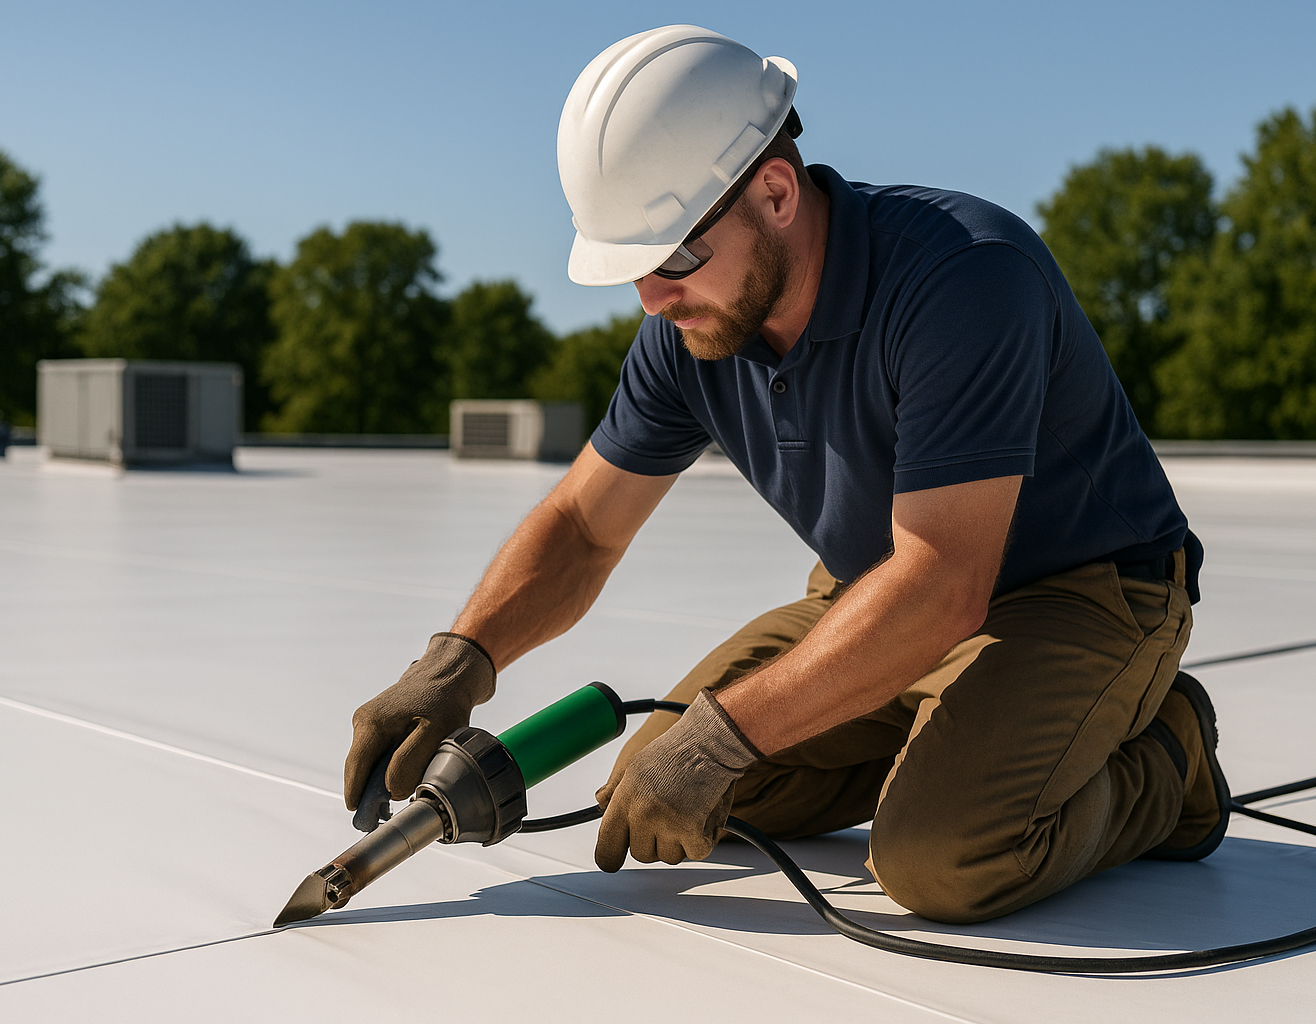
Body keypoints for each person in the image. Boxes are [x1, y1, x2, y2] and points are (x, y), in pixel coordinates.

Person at [343, 25, 1229, 923]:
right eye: (634, 269)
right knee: (654, 792)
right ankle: (969, 746)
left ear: (773, 192)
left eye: (674, 256)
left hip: (1079, 594)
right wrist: (459, 660)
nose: (652, 299)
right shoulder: (692, 330)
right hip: (874, 593)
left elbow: (945, 583)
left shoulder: (962, 278)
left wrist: (722, 741)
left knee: (941, 857)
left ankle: (1168, 754)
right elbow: (582, 527)